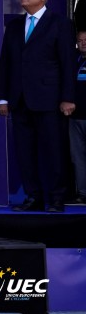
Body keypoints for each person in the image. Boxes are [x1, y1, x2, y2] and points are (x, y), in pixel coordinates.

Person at [0, 0, 76, 213]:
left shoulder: (60, 24)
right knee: (25, 153)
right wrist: (3, 97)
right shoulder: (13, 26)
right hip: (20, 100)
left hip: (50, 99)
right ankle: (33, 196)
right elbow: (6, 64)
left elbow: (67, 63)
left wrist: (68, 97)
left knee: (53, 151)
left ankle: (56, 198)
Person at [68, 30, 86, 205]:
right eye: (80, 40)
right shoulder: (74, 61)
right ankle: (82, 193)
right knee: (78, 157)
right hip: (76, 118)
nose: (83, 43)